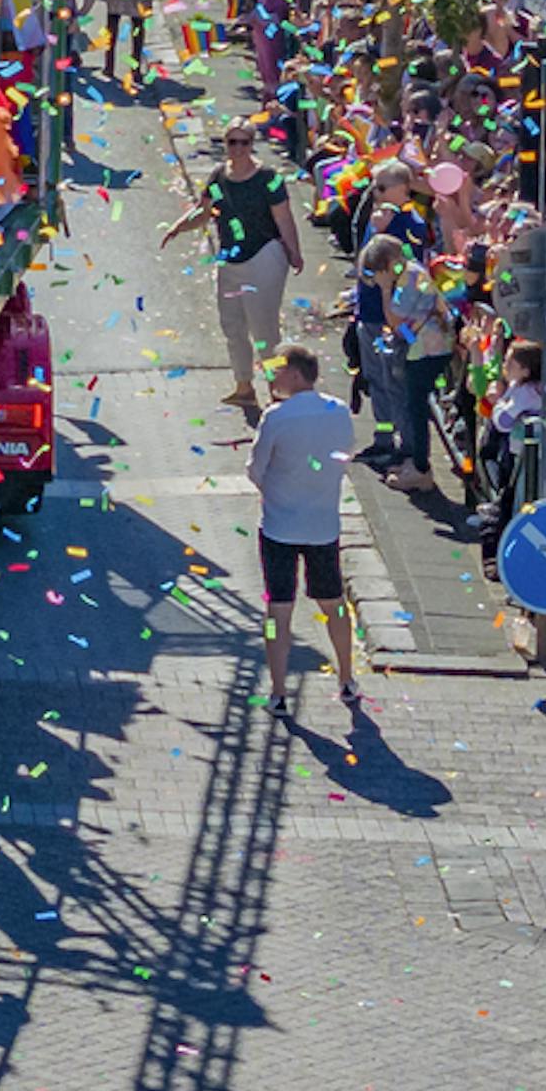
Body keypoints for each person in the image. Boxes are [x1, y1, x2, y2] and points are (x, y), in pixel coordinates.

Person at [241, 344, 366, 720]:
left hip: (280, 525)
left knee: (279, 609)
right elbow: (345, 453)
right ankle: (346, 677)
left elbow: (255, 468)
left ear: (295, 374)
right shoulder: (339, 411)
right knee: (333, 602)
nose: (272, 377)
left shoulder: (276, 418)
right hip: (323, 524)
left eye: (277, 371)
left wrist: (274, 491)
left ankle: (279, 692)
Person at [163, 127, 304, 414]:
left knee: (265, 331)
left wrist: (294, 252)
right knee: (233, 326)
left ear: (252, 144)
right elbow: (204, 211)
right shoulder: (219, 177)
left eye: (245, 142)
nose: (238, 148)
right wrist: (178, 226)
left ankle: (275, 390)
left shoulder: (268, 179)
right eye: (232, 142)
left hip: (264, 256)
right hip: (230, 259)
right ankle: (244, 387)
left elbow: (284, 217)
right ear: (225, 144)